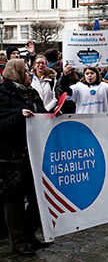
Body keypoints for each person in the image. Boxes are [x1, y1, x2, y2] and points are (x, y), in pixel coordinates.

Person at [0, 59, 50, 255]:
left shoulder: (31, 93)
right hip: (11, 156)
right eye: (26, 70)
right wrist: (19, 116)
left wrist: (53, 115)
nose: (29, 74)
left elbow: (41, 115)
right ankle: (18, 241)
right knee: (14, 200)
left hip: (33, 153)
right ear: (16, 72)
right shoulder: (3, 94)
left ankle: (30, 235)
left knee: (37, 197)